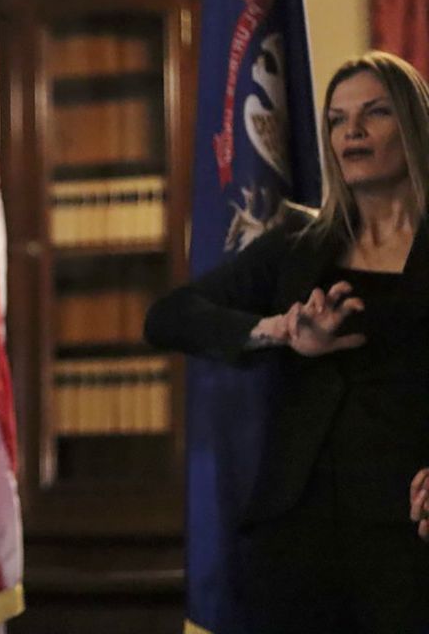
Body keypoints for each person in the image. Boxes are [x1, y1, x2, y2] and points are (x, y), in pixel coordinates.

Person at [145, 51, 429, 633]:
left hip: (409, 536)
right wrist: (277, 331)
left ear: (413, 125)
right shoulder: (299, 245)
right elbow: (169, 315)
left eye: (374, 113)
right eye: (336, 118)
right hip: (296, 536)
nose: (351, 131)